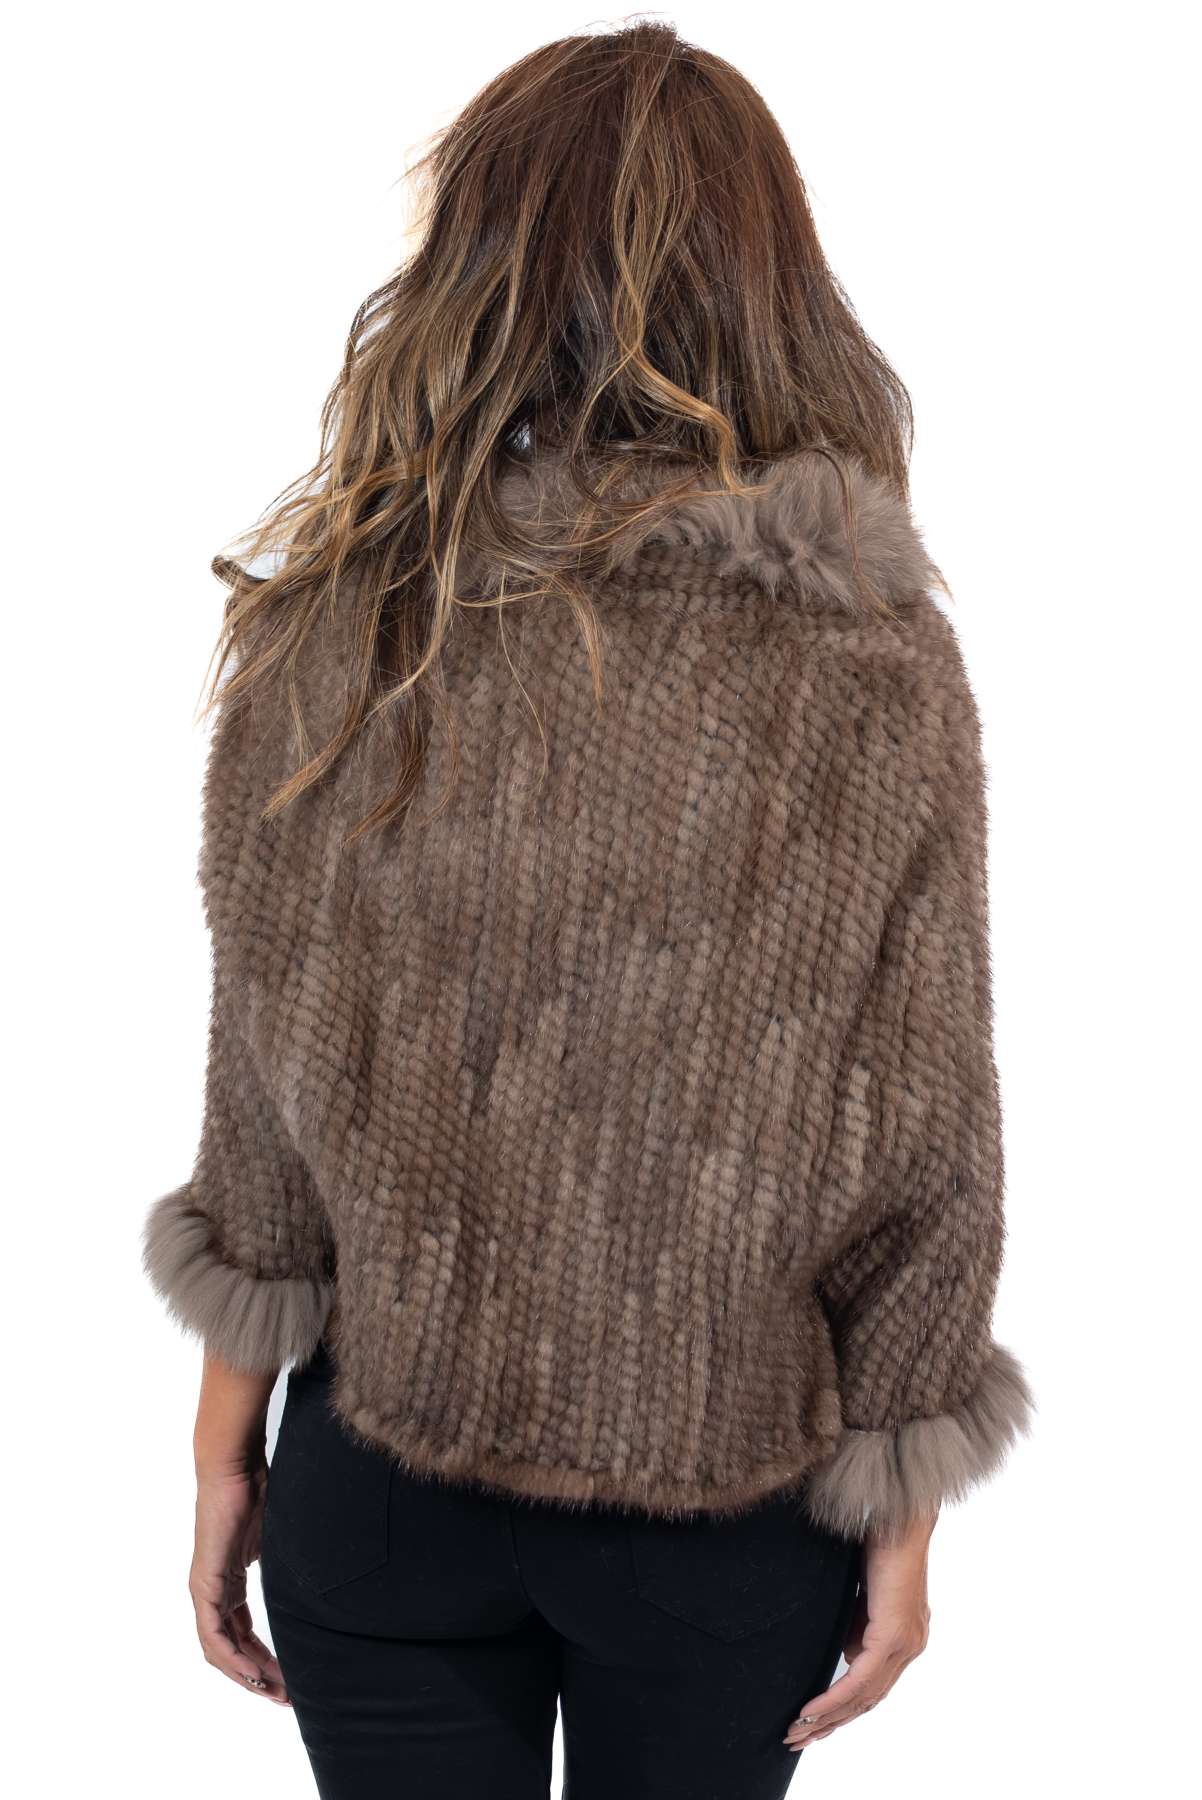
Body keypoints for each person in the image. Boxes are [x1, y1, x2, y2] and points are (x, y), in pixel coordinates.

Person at [142, 21, 1033, 1799]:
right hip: (719, 1511)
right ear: (772, 283)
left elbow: (264, 1077)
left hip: (379, 1483)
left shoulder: (344, 624)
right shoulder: (862, 652)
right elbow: (928, 1128)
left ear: (472, 270)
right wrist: (904, 1502)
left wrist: (225, 1445)